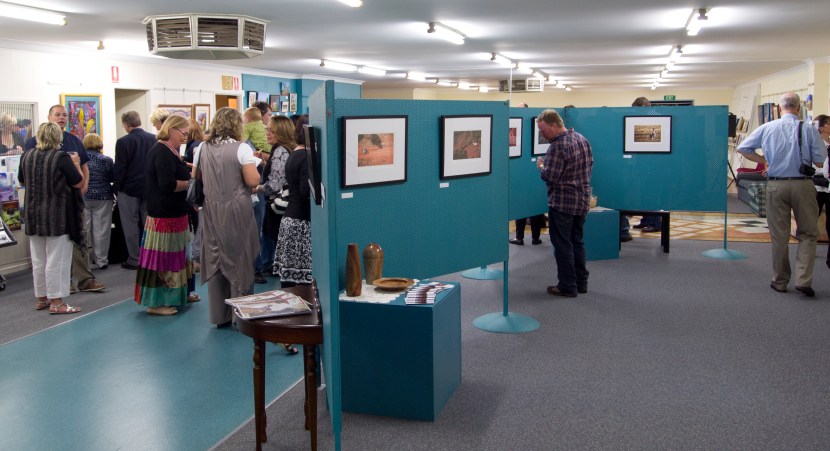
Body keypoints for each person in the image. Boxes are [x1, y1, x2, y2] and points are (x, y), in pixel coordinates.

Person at [738, 92, 827, 296]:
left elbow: (743, 148)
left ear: (780, 108)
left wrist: (764, 161)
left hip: (775, 185)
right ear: (799, 108)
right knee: (808, 233)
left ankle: (779, 280)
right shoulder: (808, 129)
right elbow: (821, 160)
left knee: (779, 235)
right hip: (803, 185)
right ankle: (803, 279)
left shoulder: (768, 128)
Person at [24, 105, 106, 293]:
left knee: (80, 240)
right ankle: (60, 286)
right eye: (57, 115)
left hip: (72, 201)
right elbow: (27, 177)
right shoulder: (34, 145)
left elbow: (84, 167)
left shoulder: (73, 140)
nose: (61, 118)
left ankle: (85, 280)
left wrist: (84, 185)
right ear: (48, 117)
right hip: (52, 205)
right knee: (53, 252)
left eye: (64, 115)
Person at [200, 107, 261, 327]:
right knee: (240, 257)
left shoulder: (202, 148)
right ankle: (242, 315)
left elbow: (197, 177)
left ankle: (220, 315)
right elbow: (252, 181)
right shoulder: (242, 148)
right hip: (236, 208)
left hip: (211, 209)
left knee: (216, 257)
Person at [18, 122, 85, 314]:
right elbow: (78, 182)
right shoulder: (61, 157)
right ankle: (57, 302)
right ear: (58, 138)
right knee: (58, 259)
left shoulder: (27, 155)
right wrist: (76, 164)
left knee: (38, 259)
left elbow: (22, 180)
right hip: (57, 216)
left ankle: (42, 298)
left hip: (32, 215)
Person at [134, 115, 193, 315]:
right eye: (183, 133)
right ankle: (156, 303)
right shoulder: (161, 152)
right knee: (162, 261)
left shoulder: (171, 151)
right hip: (164, 216)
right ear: (171, 131)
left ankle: (178, 294)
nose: (186, 137)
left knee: (177, 258)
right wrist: (192, 184)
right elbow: (167, 184)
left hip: (175, 214)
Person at [536, 109, 593, 297]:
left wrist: (542, 167)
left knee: (562, 245)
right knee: (578, 242)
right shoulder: (581, 138)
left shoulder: (558, 146)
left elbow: (550, 176)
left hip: (562, 203)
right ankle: (581, 283)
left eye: (543, 130)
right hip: (582, 200)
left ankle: (568, 286)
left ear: (554, 125)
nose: (542, 135)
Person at [113, 111, 156, 270]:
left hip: (128, 189)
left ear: (125, 124)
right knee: (149, 224)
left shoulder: (123, 142)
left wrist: (116, 187)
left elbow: (120, 168)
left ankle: (135, 258)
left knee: (129, 224)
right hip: (149, 188)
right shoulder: (153, 139)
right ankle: (150, 256)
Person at [274, 114, 313, 287]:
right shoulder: (305, 156)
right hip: (301, 223)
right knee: (300, 283)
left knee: (289, 281)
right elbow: (306, 191)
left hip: (291, 219)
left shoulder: (294, 153)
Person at [257, 115, 296, 277]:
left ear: (281, 132)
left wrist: (255, 188)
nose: (267, 133)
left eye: (271, 130)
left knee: (270, 236)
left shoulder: (280, 151)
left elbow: (274, 185)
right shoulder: (290, 148)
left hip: (278, 205)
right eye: (267, 129)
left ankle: (270, 266)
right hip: (287, 204)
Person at [509, 102, 546, 246]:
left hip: (531, 173)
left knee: (530, 207)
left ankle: (531, 237)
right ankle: (525, 237)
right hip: (527, 174)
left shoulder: (523, 125)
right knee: (525, 206)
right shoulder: (523, 126)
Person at [243, 107, 271, 284]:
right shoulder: (260, 132)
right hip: (257, 190)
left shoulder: (245, 139)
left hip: (255, 190)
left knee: (256, 230)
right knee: (257, 229)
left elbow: (253, 181)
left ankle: (258, 266)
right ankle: (258, 266)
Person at [629, 97, 662, 234]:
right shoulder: (646, 119)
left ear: (642, 107)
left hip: (653, 163)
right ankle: (646, 220)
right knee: (644, 193)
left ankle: (655, 223)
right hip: (643, 161)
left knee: (652, 193)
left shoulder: (656, 119)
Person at [81, 133, 114, 270]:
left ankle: (84, 262)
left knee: (85, 230)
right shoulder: (106, 160)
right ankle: (101, 260)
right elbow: (112, 177)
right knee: (102, 230)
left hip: (84, 196)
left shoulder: (82, 159)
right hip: (103, 196)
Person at [813, 115, 830, 267]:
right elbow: (815, 166)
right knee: (812, 218)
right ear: (823, 127)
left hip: (829, 187)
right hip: (818, 187)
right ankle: (809, 249)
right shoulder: (817, 144)